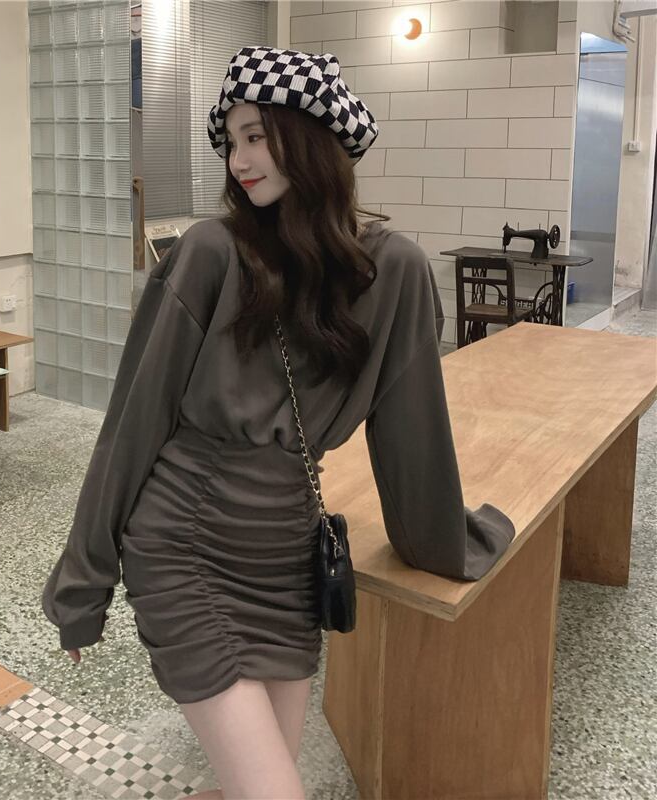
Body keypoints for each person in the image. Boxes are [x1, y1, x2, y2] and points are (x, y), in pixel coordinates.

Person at [41, 46, 515, 800]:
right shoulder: (210, 253)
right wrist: (83, 582)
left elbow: (412, 429)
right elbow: (131, 424)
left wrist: (442, 539)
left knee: (261, 784)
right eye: (231, 140)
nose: (238, 160)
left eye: (256, 136)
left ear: (312, 139)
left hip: (286, 560)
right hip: (185, 543)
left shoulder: (393, 270)